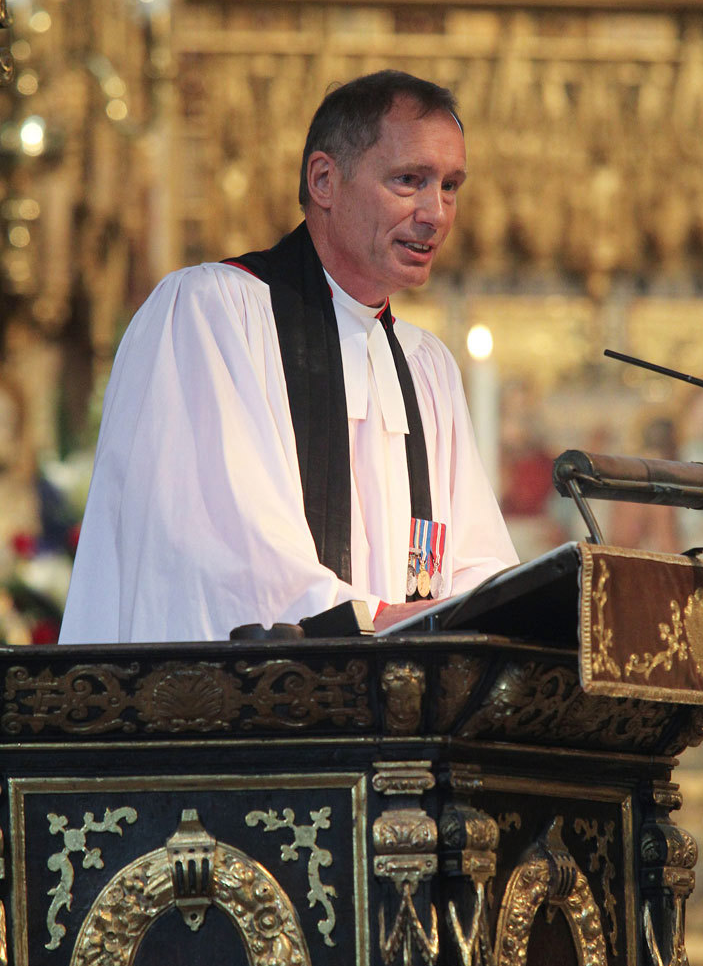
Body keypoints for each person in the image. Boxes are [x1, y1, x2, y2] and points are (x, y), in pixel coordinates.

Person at [59, 69, 518, 644]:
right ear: (324, 180)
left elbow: (477, 563)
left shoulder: (427, 368)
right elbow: (220, 546)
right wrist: (380, 623)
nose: (437, 213)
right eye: (409, 180)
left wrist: (488, 615)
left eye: (450, 186)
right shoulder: (211, 311)